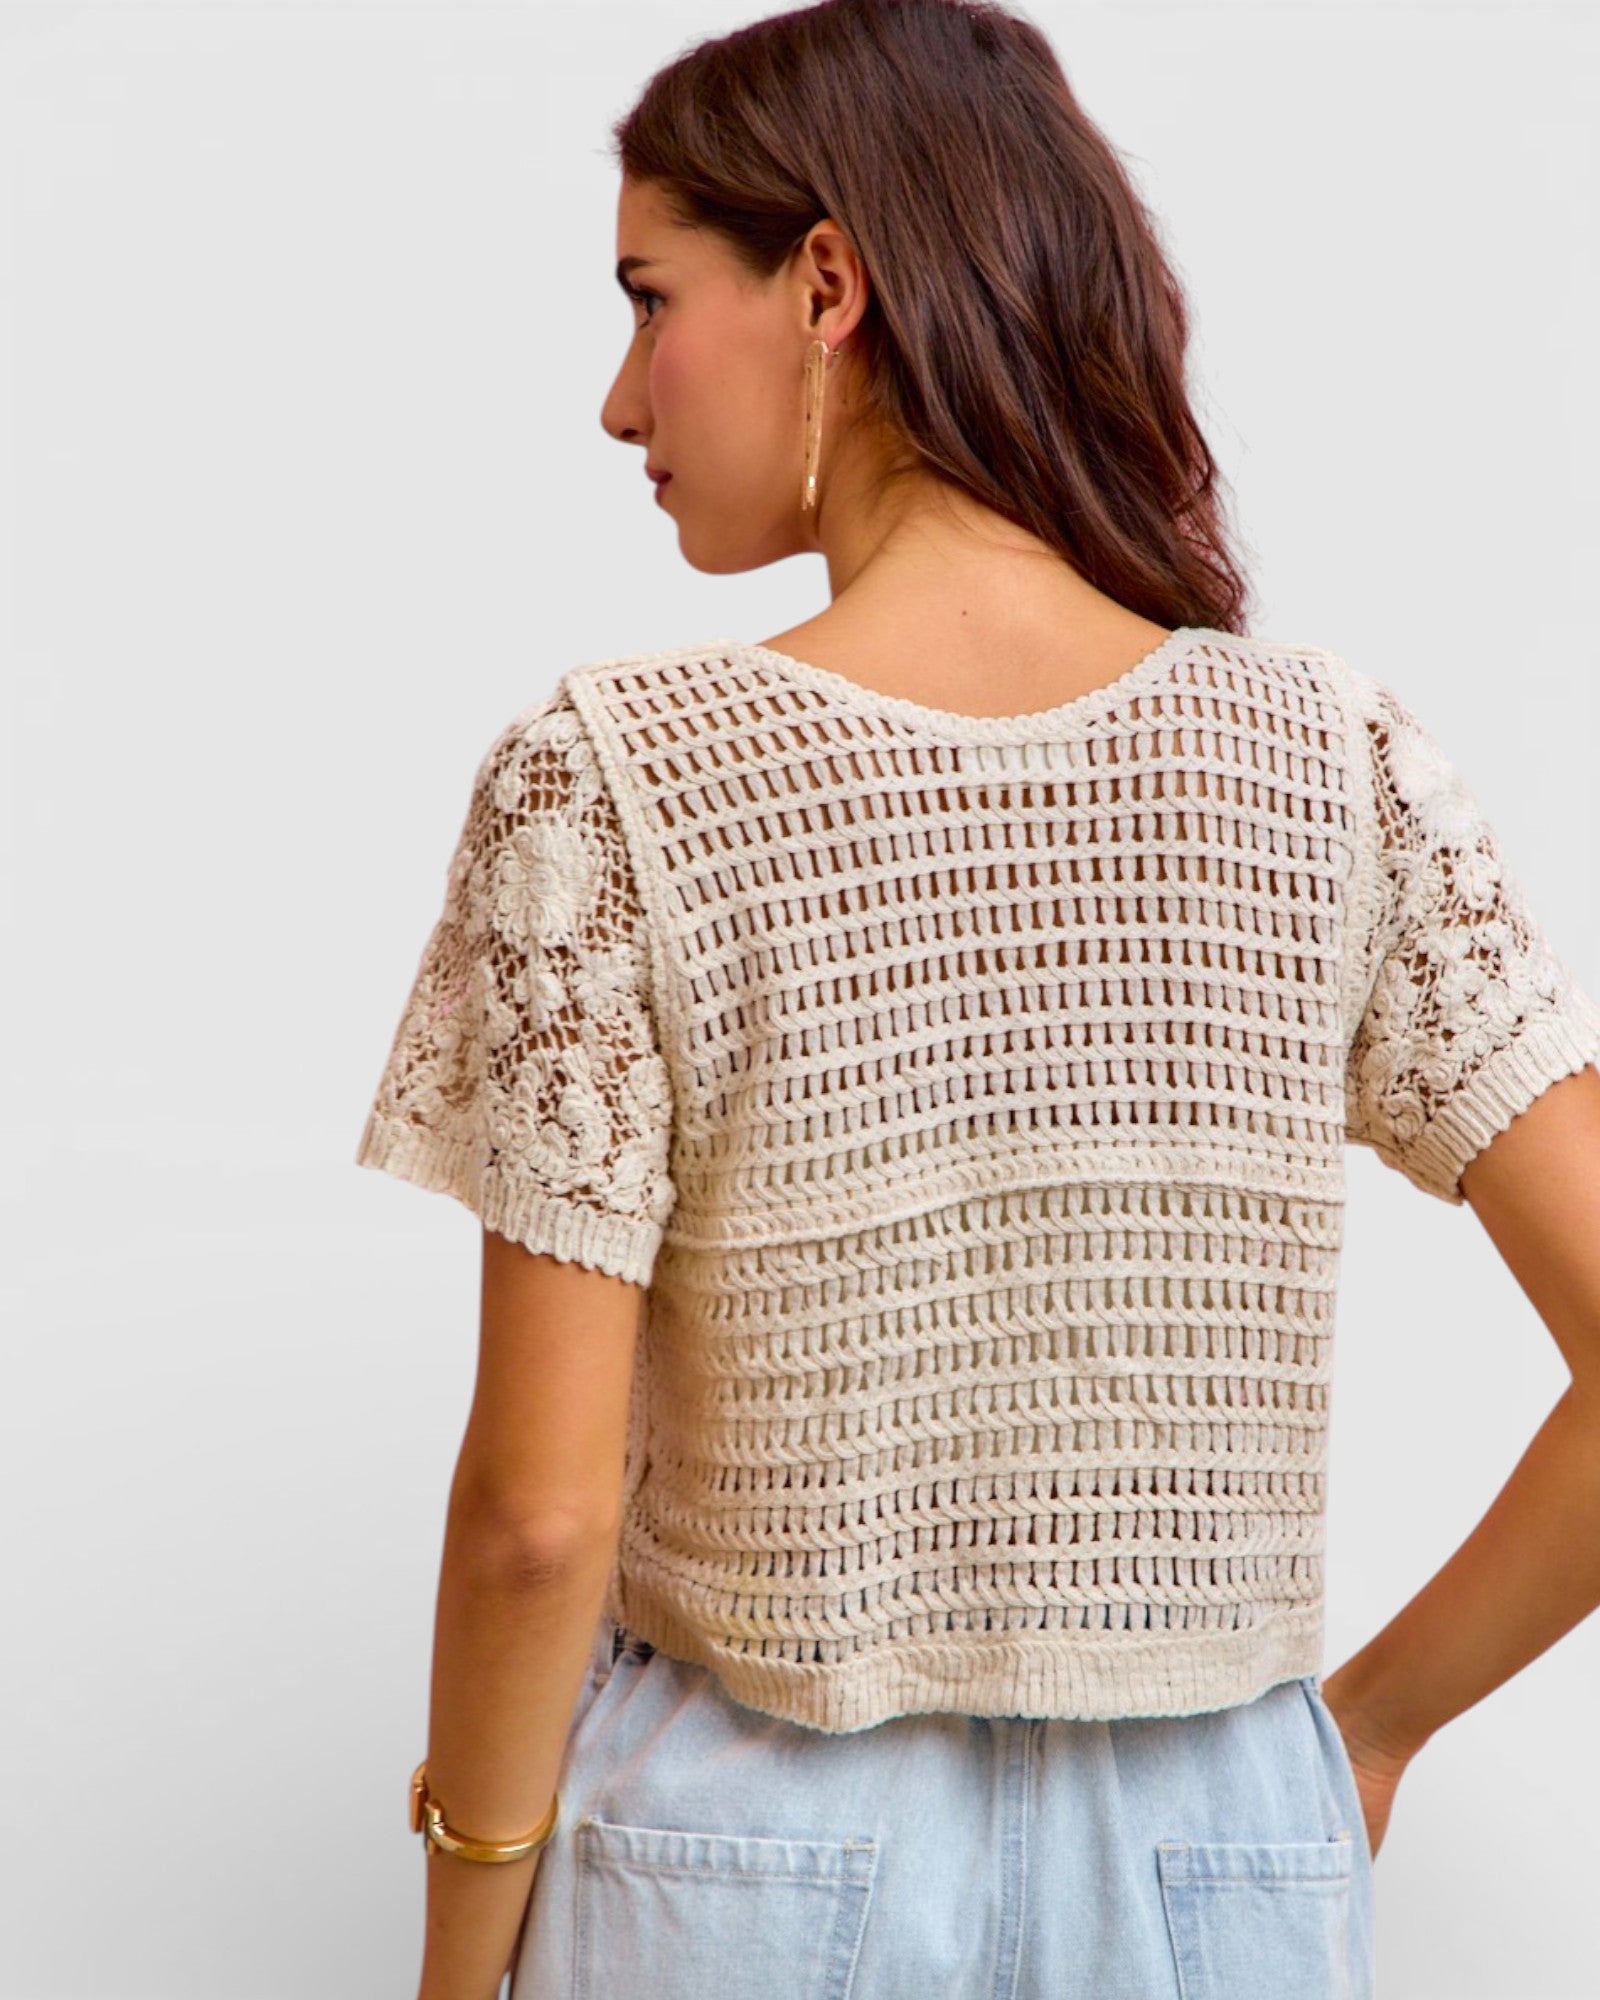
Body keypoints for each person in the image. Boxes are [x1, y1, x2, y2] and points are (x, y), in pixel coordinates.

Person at [354, 4, 1600, 1996]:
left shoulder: (612, 785)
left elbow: (535, 1516)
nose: (617, 397)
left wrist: (454, 1942)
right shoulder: (1330, 764)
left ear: (825, 284)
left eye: (650, 299)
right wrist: (1359, 1735)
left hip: (753, 1862)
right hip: (1220, 1858)